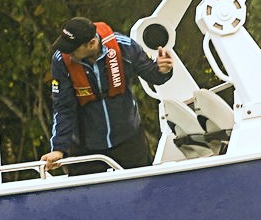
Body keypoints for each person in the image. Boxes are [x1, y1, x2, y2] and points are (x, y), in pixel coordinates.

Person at [42, 17, 175, 173]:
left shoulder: (124, 47)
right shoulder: (61, 61)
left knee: (143, 192)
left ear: (91, 44)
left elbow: (154, 75)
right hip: (86, 147)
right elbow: (63, 108)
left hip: (128, 139)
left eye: (72, 49)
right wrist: (58, 148)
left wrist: (163, 70)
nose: (67, 53)